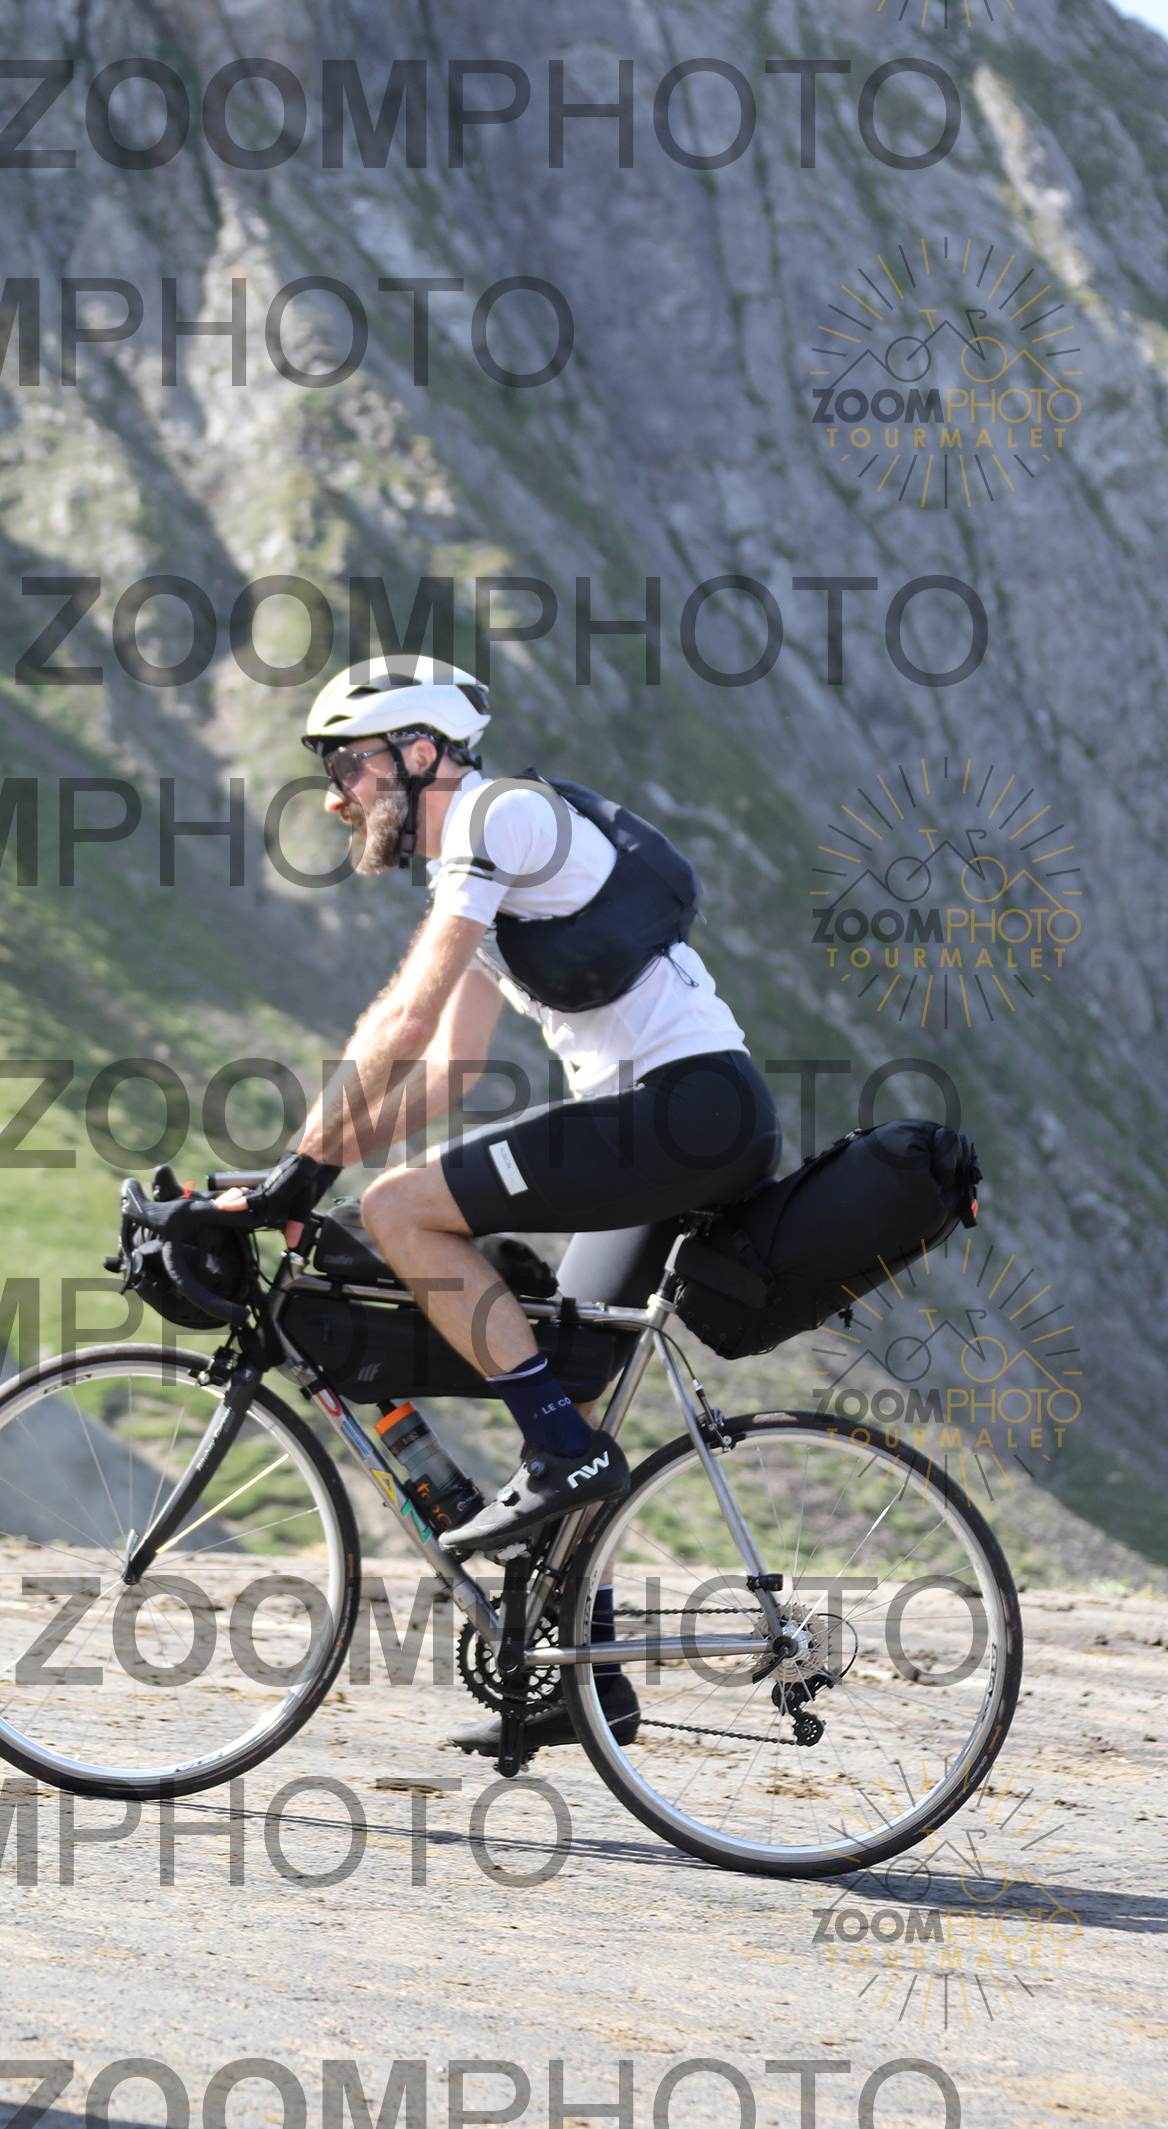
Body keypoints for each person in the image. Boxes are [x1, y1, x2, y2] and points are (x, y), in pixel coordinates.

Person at [219, 654, 781, 1749]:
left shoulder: (497, 817)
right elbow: (445, 1076)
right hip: (673, 1125)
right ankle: (588, 1683)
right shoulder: (477, 861)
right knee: (563, 1384)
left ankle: (561, 1457)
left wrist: (308, 1169)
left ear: (421, 752)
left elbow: (404, 1022)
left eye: (348, 766)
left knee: (400, 1213)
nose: (336, 797)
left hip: (685, 1111)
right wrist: (303, 1166)